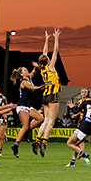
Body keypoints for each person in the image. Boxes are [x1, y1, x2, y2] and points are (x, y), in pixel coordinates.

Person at [35, 29, 62, 157]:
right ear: (47, 61)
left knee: (45, 120)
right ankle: (44, 143)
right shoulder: (51, 67)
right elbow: (55, 51)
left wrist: (46, 39)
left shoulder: (42, 68)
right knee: (51, 122)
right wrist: (56, 38)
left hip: (44, 96)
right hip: (53, 96)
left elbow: (44, 52)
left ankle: (37, 140)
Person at [9, 66, 44, 158]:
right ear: (21, 74)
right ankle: (15, 146)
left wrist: (37, 66)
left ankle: (27, 131)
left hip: (28, 106)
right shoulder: (24, 82)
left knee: (40, 118)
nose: (27, 70)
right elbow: (30, 86)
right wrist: (38, 87)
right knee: (24, 126)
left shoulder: (29, 78)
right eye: (25, 70)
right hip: (22, 106)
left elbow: (33, 72)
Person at [65, 88, 91, 167]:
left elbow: (75, 111)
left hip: (83, 127)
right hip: (89, 129)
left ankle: (84, 155)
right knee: (75, 145)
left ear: (90, 95)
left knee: (69, 143)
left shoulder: (86, 103)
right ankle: (72, 163)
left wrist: (71, 106)